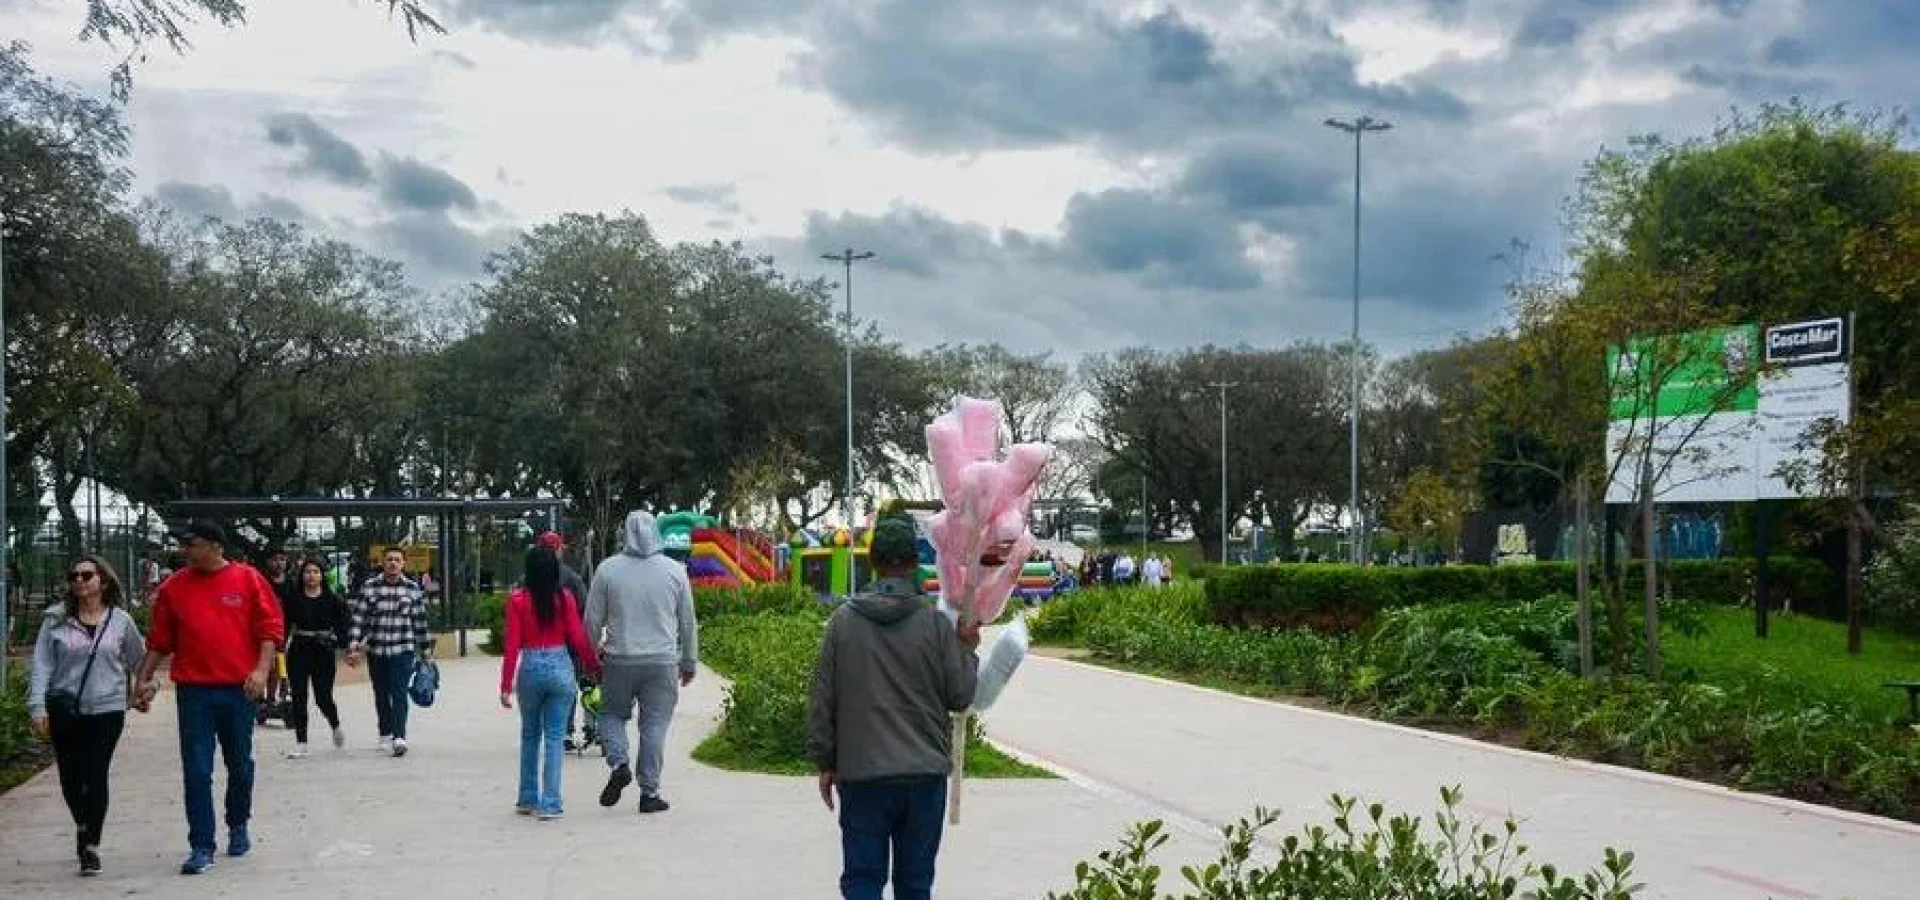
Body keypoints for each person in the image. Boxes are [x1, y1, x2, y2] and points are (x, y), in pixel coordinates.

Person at [808, 516, 981, 900]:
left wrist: (826, 761)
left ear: (872, 559)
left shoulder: (842, 624)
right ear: (913, 562)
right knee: (915, 886)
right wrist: (966, 649)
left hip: (863, 776)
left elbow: (823, 699)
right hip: (923, 779)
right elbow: (961, 696)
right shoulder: (935, 627)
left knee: (862, 882)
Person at [132, 521, 284, 876]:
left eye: (192, 543)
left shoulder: (247, 579)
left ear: (216, 546)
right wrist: (142, 678)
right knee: (197, 770)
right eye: (184, 544)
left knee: (240, 765)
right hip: (194, 692)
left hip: (238, 690)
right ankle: (201, 844)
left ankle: (238, 823)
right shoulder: (174, 587)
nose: (185, 550)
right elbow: (160, 640)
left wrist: (261, 672)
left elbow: (270, 630)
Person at [27, 555, 146, 877]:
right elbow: (41, 665)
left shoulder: (121, 621)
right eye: (74, 576)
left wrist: (146, 687)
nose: (79, 580)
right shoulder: (55, 620)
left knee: (95, 775)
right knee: (70, 779)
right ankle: (83, 822)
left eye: (86, 575)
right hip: (65, 708)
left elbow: (140, 660)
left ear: (103, 581)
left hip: (107, 709)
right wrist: (37, 706)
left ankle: (90, 845)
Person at [585, 510, 699, 814]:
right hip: (662, 663)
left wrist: (592, 651)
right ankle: (649, 794)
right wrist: (689, 661)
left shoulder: (607, 570)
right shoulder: (675, 571)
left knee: (610, 714)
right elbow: (688, 622)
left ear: (625, 533)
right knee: (655, 726)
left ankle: (619, 762)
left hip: (619, 659)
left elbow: (591, 620)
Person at [499, 547, 600, 820]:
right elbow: (578, 638)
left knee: (530, 735)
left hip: (530, 667)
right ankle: (550, 802)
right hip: (559, 667)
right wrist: (593, 666)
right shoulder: (564, 598)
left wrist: (506, 685)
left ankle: (527, 797)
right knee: (555, 738)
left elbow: (511, 646)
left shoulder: (517, 600)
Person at [346, 548, 431, 757]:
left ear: (404, 564)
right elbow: (358, 619)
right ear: (382, 562)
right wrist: (353, 645)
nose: (393, 563)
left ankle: (399, 736)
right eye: (389, 559)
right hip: (377, 651)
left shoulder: (412, 589)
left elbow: (419, 621)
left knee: (399, 693)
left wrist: (425, 650)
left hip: (403, 650)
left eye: (397, 560)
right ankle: (385, 733)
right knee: (381, 694)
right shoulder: (370, 587)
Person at [283, 558, 350, 758]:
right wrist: (277, 646)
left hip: (323, 651)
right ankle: (301, 742)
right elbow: (284, 625)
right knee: (299, 696)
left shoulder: (332, 599)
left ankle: (335, 724)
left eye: (315, 572)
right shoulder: (292, 598)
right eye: (307, 572)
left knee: (323, 697)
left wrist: (345, 646)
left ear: (322, 576)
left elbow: (343, 625)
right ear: (301, 576)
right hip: (299, 649)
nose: (311, 576)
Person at [536, 530, 591, 745]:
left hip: (539, 644)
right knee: (567, 687)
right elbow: (585, 612)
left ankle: (551, 728)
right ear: (559, 550)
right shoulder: (573, 579)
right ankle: (564, 730)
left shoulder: (529, 578)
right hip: (568, 645)